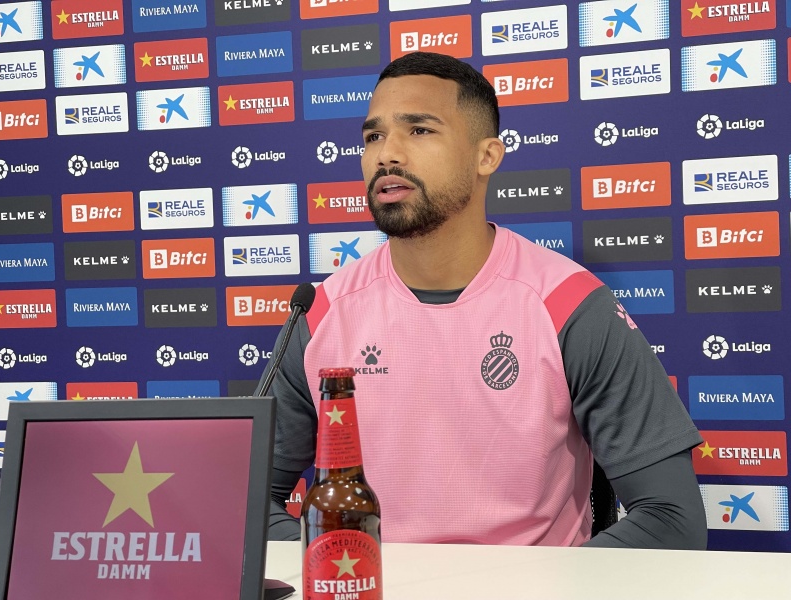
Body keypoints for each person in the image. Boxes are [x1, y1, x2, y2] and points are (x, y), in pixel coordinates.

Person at [259, 52, 706, 549]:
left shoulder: (567, 303)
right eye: (374, 136)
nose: (388, 154)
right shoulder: (322, 312)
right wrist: (344, 565)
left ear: (487, 156)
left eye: (419, 130)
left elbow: (671, 518)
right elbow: (248, 500)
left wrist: (539, 585)